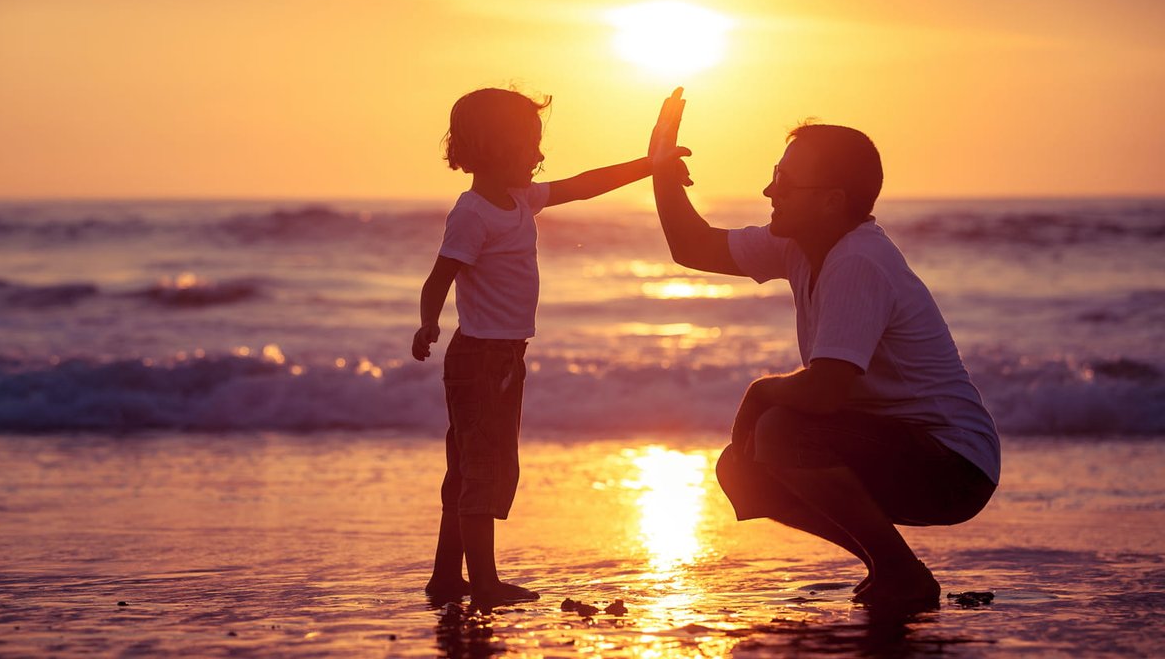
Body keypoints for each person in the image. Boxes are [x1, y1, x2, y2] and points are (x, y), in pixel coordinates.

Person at [648, 96, 999, 610]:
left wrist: (760, 392)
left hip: (954, 466)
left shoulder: (858, 260)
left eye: (785, 182)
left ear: (832, 201)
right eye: (775, 176)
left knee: (781, 432)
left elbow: (827, 390)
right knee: (742, 469)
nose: (770, 191)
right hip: (899, 446)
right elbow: (692, 247)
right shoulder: (800, 242)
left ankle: (902, 572)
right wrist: (660, 169)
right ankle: (889, 565)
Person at [414, 87, 689, 609]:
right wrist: (428, 323)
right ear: (495, 146)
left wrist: (649, 165)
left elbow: (582, 186)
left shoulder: (519, 199)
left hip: (502, 357)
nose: (539, 155)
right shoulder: (473, 213)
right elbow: (439, 277)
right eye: (529, 143)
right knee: (484, 468)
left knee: (469, 466)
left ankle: (447, 576)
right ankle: (485, 583)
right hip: (482, 359)